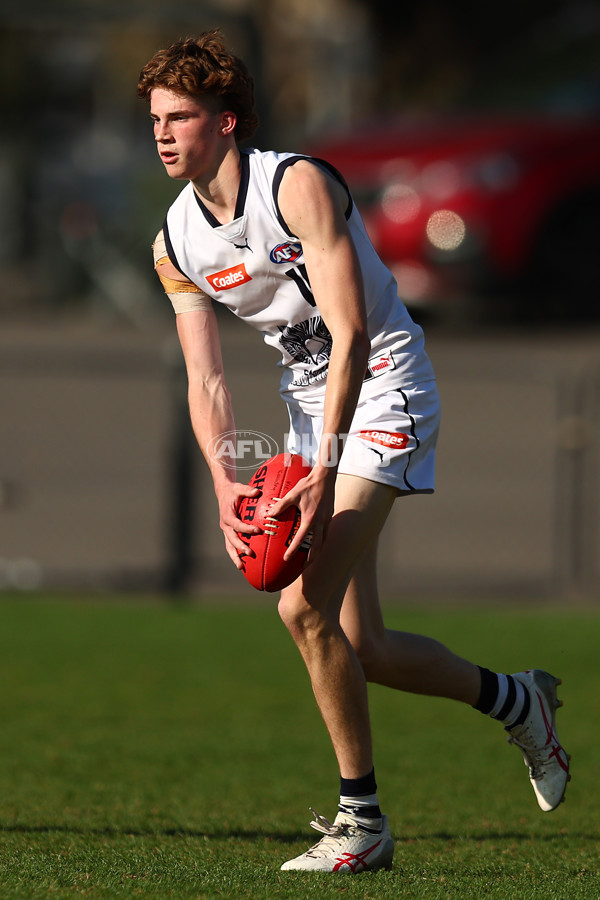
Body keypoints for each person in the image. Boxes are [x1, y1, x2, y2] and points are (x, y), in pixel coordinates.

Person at [137, 31, 570, 873]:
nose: (160, 133)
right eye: (153, 118)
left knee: (300, 609)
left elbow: (353, 331)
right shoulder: (174, 241)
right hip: (313, 416)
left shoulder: (295, 184)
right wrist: (225, 483)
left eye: (179, 116)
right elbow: (208, 380)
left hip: (386, 388)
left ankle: (361, 822)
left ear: (226, 121)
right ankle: (519, 703)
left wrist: (325, 464)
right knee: (358, 644)